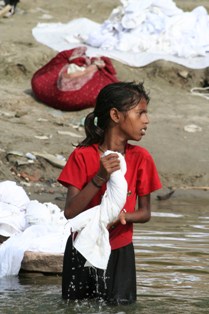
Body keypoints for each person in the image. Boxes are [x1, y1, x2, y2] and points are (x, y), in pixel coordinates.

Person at [58, 81, 162, 305]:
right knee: (74, 309)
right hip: (81, 248)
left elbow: (144, 213)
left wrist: (123, 217)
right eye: (140, 113)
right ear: (116, 115)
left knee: (120, 309)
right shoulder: (83, 156)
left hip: (120, 251)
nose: (147, 120)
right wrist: (99, 178)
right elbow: (70, 212)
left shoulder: (141, 158)